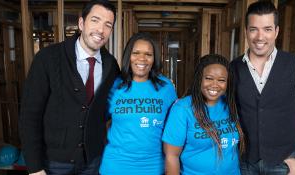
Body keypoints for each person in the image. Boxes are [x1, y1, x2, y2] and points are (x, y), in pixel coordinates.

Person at [18, 1, 119, 174]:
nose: (101, 30)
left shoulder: (111, 65)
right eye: (95, 20)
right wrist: (35, 167)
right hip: (54, 163)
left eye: (107, 25)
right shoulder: (48, 58)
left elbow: (118, 101)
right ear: (81, 23)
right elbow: (29, 115)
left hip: (93, 162)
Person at [230, 1, 295, 175]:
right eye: (254, 29)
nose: (260, 37)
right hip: (245, 163)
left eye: (267, 29)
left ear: (277, 31)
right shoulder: (232, 68)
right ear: (246, 31)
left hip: (284, 163)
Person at [99, 32, 177, 175]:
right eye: (136, 53)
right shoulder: (115, 86)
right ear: (128, 56)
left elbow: (173, 129)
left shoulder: (166, 87)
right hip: (115, 166)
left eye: (148, 54)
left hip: (153, 166)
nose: (142, 59)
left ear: (154, 59)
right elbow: (98, 120)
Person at [162, 54, 245, 175]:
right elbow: (171, 156)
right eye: (209, 78)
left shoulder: (230, 105)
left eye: (221, 80)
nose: (215, 85)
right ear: (199, 78)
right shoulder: (182, 109)